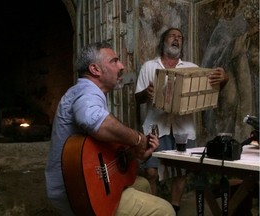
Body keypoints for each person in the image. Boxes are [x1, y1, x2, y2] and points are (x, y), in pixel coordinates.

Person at [45, 42, 175, 216]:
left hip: (87, 183)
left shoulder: (90, 93)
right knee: (165, 210)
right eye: (114, 61)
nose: (121, 66)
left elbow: (103, 156)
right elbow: (92, 121)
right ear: (95, 69)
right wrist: (138, 139)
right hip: (77, 192)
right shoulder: (87, 91)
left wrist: (135, 153)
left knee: (143, 184)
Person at [135, 27, 228, 213]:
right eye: (172, 36)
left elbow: (212, 89)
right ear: (163, 42)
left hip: (183, 128)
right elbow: (137, 99)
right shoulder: (149, 67)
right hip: (155, 127)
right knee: (151, 171)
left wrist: (224, 79)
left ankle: (175, 207)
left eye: (180, 37)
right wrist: (146, 93)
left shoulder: (192, 68)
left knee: (181, 171)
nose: (177, 39)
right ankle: (155, 210)